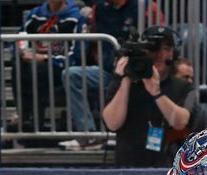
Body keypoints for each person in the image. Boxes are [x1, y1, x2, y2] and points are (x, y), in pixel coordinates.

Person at [60, 0, 164, 150]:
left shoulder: (145, 6)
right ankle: (89, 136)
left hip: (143, 72)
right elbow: (93, 38)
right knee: (72, 75)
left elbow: (160, 37)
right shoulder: (99, 9)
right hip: (109, 71)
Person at [102, 25, 198, 167]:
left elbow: (180, 122)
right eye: (153, 48)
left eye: (165, 48)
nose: (158, 54)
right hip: (128, 167)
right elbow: (112, 123)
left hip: (169, 167)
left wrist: (156, 93)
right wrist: (127, 79)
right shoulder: (122, 83)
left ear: (173, 54)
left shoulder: (182, 86)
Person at [14, 0, 83, 133]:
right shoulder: (35, 14)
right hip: (33, 64)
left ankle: (37, 122)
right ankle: (23, 118)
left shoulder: (76, 17)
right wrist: (22, 51)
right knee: (18, 66)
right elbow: (20, 36)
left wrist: (47, 59)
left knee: (39, 69)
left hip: (60, 68)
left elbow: (77, 55)